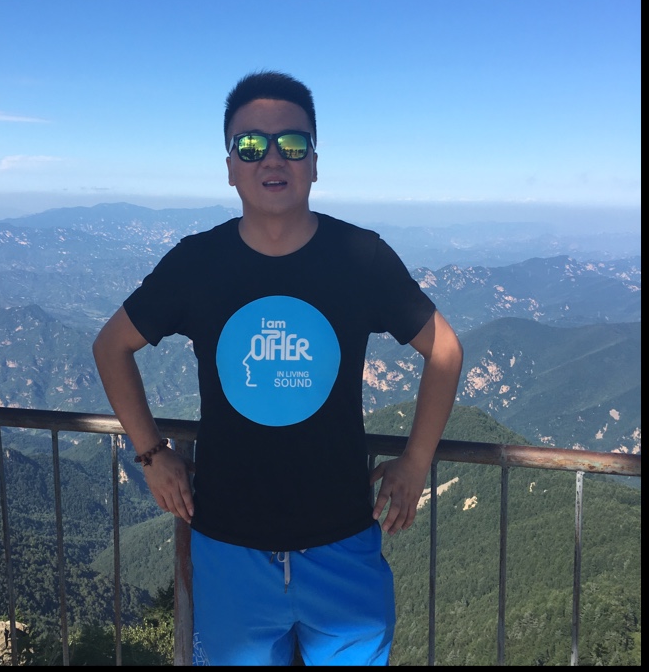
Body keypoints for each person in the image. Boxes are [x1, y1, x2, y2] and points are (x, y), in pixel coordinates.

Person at [92, 70, 464, 666]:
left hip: (343, 543)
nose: (272, 157)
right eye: (250, 145)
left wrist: (416, 462)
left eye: (292, 143)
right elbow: (111, 346)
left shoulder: (360, 257)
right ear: (230, 166)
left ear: (314, 162)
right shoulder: (197, 262)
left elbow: (445, 350)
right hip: (228, 546)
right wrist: (152, 453)